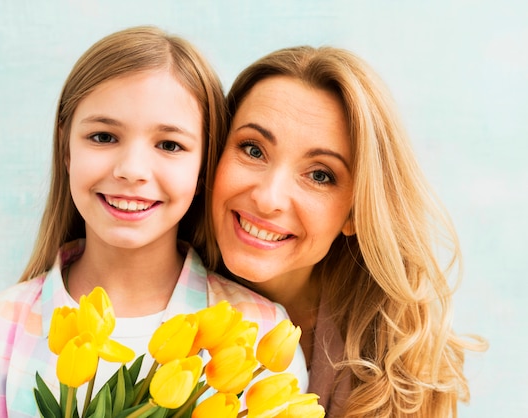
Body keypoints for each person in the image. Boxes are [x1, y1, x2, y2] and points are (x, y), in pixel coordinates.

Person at [0, 26, 308, 418]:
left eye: (170, 145)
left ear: (203, 167)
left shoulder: (257, 331)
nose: (132, 170)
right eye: (104, 137)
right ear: (66, 149)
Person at [207, 45, 487, 417]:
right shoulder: (138, 292)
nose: (269, 198)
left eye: (320, 174)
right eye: (253, 150)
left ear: (356, 212)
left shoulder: (399, 366)